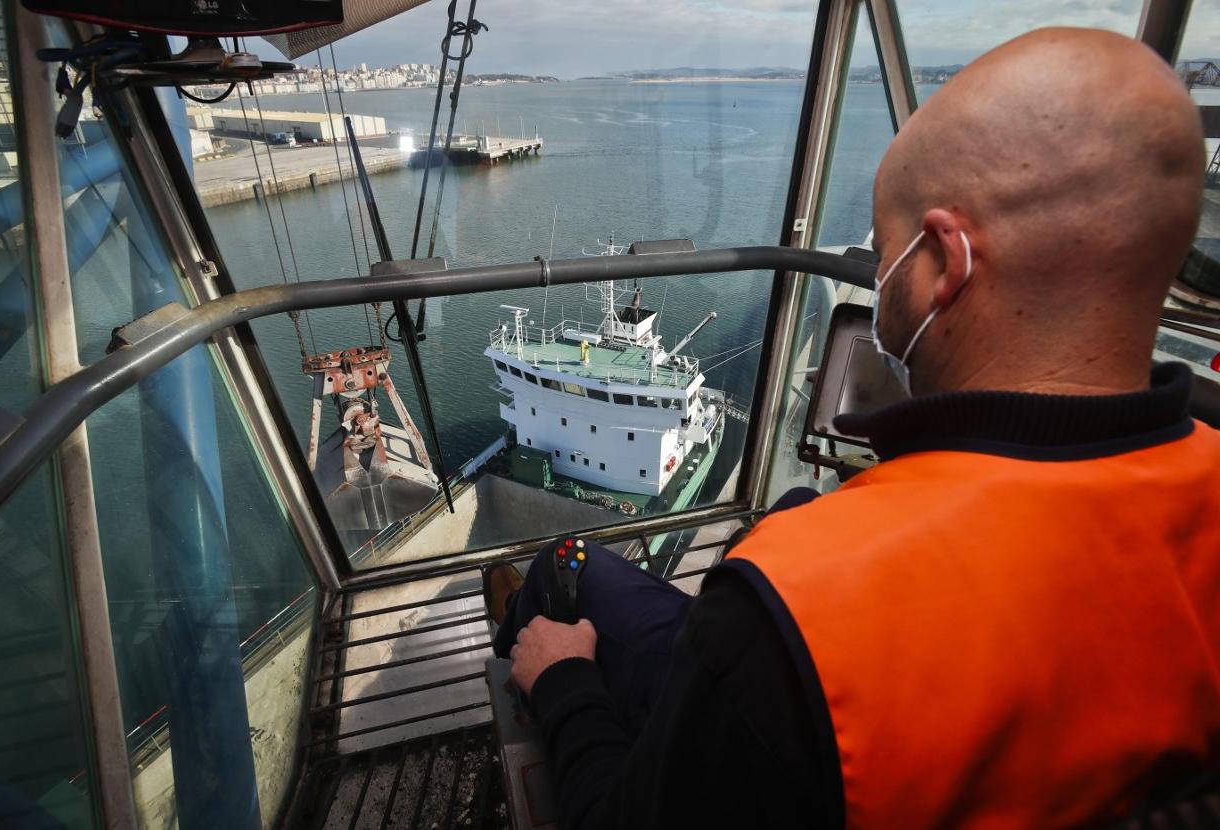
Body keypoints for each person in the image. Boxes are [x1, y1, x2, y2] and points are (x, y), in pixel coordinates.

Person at [484, 27, 1220, 829]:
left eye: (884, 250)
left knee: (572, 569)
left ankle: (534, 637)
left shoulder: (793, 601)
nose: (877, 274)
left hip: (782, 711)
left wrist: (565, 688)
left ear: (942, 263)